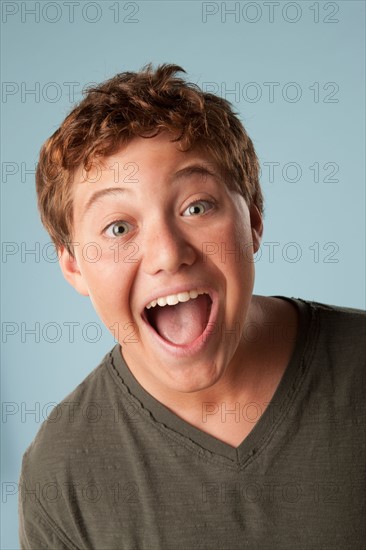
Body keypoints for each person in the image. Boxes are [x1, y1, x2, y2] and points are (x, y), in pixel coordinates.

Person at [19, 63, 365, 549]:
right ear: (74, 267)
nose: (167, 254)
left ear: (255, 221)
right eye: (118, 228)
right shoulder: (61, 474)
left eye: (196, 207)